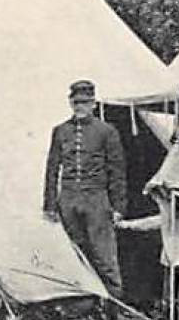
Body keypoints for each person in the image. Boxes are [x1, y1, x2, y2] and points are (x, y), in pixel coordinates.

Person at [43, 79, 126, 301]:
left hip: (96, 200)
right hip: (68, 200)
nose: (80, 107)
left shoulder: (106, 131)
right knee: (76, 254)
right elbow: (52, 169)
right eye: (76, 102)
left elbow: (117, 171)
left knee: (105, 256)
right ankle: (86, 306)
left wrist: (118, 206)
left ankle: (115, 308)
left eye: (85, 102)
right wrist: (50, 205)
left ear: (94, 104)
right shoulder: (60, 131)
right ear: (70, 103)